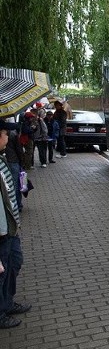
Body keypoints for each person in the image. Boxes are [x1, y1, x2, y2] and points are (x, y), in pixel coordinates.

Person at [0, 119, 31, 329]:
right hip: (2, 232)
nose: (7, 137)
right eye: (4, 133)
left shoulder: (1, 159)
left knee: (14, 263)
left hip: (11, 228)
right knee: (2, 273)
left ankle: (8, 302)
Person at [3, 122, 24, 212]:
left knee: (6, 185)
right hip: (14, 161)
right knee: (16, 185)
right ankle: (17, 205)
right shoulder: (13, 134)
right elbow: (19, 149)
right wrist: (22, 162)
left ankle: (11, 206)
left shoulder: (4, 134)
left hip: (4, 162)